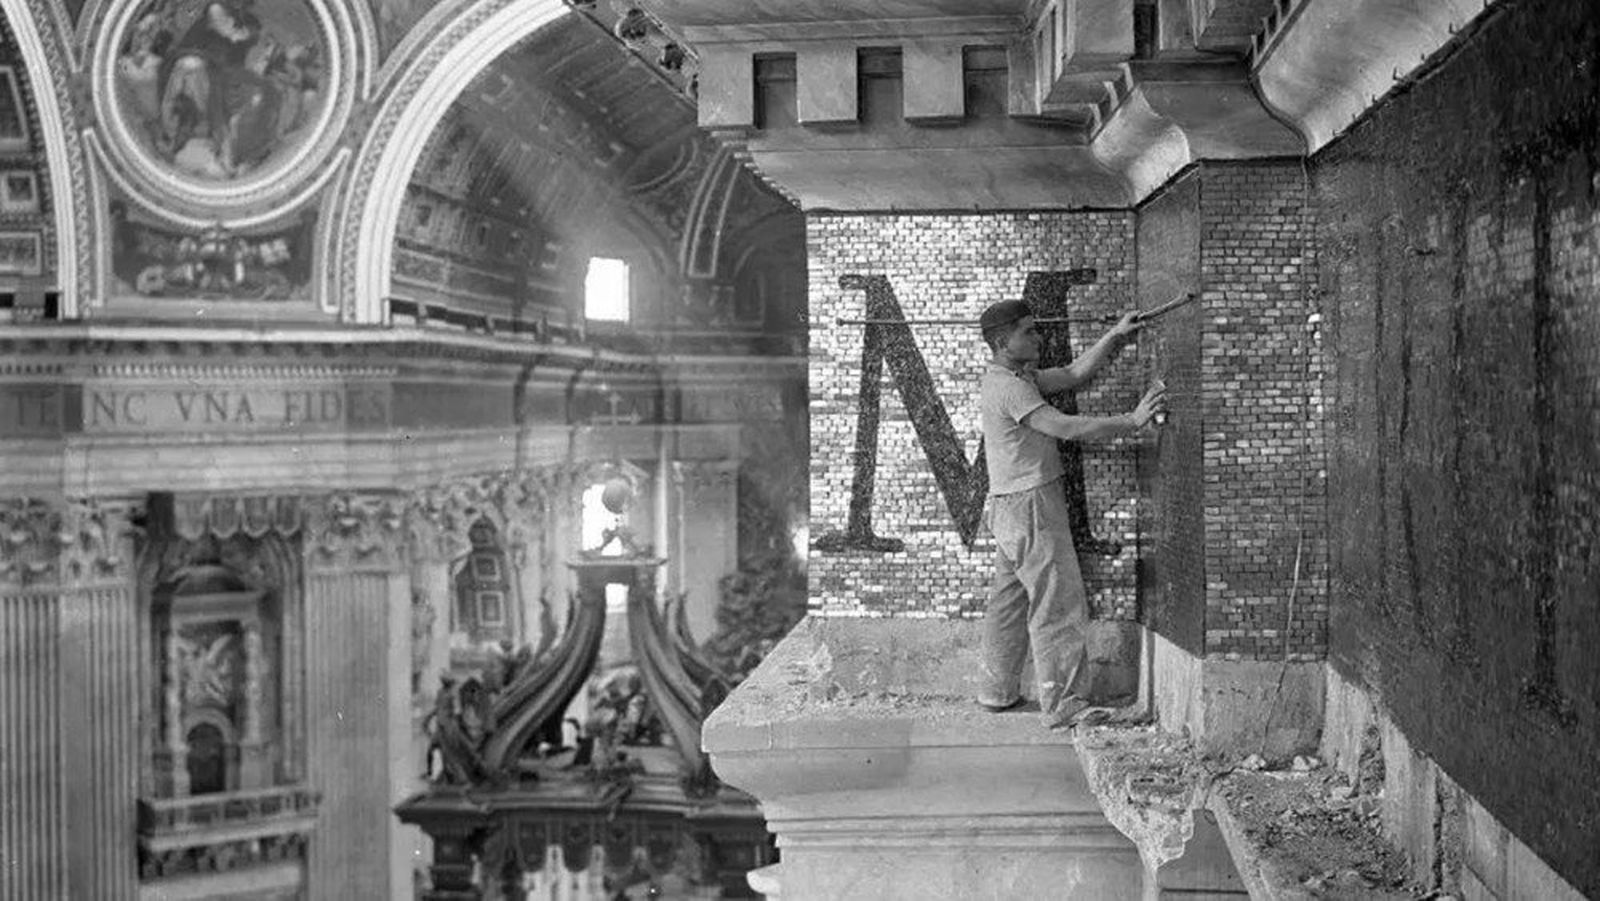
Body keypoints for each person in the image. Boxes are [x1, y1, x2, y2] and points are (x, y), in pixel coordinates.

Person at [974, 299, 1166, 728]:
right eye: (1029, 331)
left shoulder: (1013, 376)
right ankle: (1064, 705)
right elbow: (1064, 427)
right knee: (1058, 604)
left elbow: (1076, 373)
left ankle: (996, 691)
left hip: (1011, 508)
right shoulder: (1012, 387)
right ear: (1004, 342)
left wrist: (1115, 333)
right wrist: (1132, 420)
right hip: (1032, 506)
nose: (1038, 337)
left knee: (1008, 602)